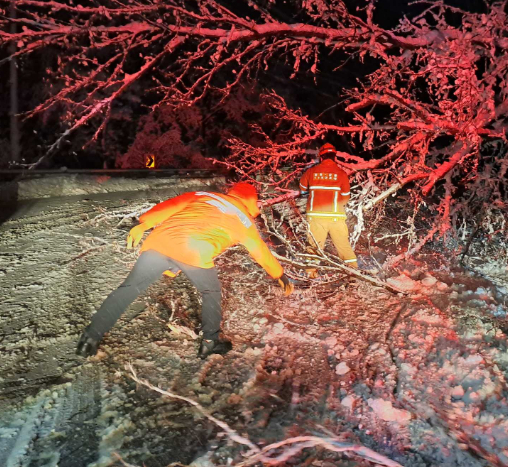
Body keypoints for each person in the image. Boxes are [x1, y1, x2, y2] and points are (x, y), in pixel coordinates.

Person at [76, 182, 293, 359]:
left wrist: (144, 223)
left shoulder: (204, 195)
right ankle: (210, 343)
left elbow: (169, 206)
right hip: (193, 250)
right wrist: (279, 274)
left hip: (160, 241)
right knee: (210, 294)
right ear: (252, 201)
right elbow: (261, 253)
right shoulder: (245, 222)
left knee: (129, 289)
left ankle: (90, 337)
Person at [299, 143, 357, 277]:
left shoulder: (311, 172)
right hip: (336, 218)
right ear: (334, 157)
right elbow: (345, 198)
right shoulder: (341, 174)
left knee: (314, 248)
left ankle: (311, 277)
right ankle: (354, 275)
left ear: (321, 157)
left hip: (316, 218)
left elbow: (302, 190)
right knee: (344, 248)